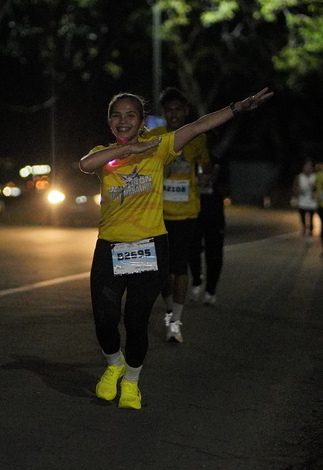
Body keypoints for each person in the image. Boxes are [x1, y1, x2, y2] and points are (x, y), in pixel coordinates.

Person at [79, 87, 273, 409]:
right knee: (104, 317)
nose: (123, 121)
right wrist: (129, 149)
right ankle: (114, 364)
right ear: (109, 121)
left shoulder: (159, 148)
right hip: (111, 248)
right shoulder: (105, 154)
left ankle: (131, 381)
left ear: (142, 121)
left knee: (135, 320)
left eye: (131, 115)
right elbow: (85, 164)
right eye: (116, 115)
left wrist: (238, 107)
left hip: (148, 247)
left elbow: (199, 126)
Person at [147, 88, 211, 343]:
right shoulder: (154, 137)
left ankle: (175, 323)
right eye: (168, 110)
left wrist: (206, 174)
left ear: (186, 111)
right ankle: (169, 311)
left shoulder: (197, 137)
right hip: (157, 214)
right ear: (163, 113)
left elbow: (205, 165)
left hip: (186, 213)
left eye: (178, 110)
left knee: (179, 266)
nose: (173, 115)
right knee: (161, 270)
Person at [187, 152, 227, 306]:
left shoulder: (219, 162)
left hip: (214, 214)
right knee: (192, 249)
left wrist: (213, 180)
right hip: (193, 211)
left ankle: (210, 290)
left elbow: (227, 188)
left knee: (214, 254)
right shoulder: (191, 160)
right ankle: (197, 280)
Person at [292, 159, 317, 243]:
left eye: (309, 167)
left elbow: (318, 188)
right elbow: (295, 187)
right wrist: (297, 191)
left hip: (312, 201)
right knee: (302, 216)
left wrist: (315, 192)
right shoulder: (300, 177)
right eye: (306, 167)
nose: (307, 169)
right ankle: (304, 227)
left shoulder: (315, 177)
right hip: (302, 201)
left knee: (311, 218)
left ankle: (310, 233)